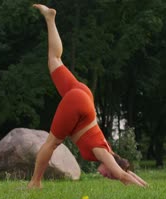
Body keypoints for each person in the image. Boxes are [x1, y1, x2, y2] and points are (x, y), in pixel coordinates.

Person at [28, 4, 148, 189]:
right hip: (79, 104)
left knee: (54, 60)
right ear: (110, 167)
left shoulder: (109, 151)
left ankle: (50, 18)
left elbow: (126, 170)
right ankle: (35, 183)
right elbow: (121, 174)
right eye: (109, 175)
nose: (106, 176)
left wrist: (144, 183)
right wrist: (145, 191)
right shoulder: (104, 154)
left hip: (84, 98)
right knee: (51, 143)